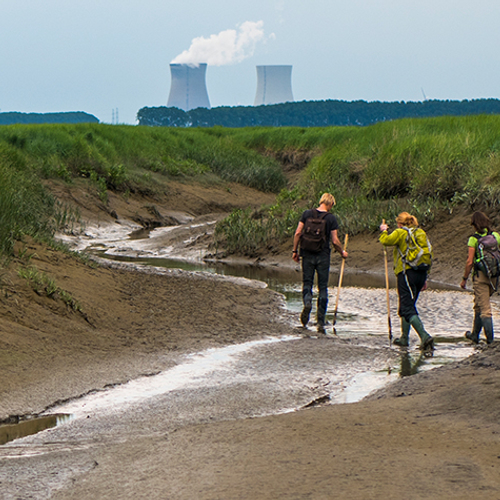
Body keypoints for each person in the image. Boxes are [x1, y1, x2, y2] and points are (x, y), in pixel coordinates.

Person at [292, 193, 348, 333]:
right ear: (330, 204)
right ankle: (321, 320)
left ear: (321, 201)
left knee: (307, 283)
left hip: (307, 253)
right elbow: (334, 240)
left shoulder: (306, 214)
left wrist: (295, 251)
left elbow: (298, 233)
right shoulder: (330, 218)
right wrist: (342, 252)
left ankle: (308, 302)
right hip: (323, 256)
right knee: (323, 287)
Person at [379, 212, 434, 350]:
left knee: (407, 308)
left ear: (400, 223)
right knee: (407, 305)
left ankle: (425, 336)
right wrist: (426, 277)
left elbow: (385, 241)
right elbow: (428, 254)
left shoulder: (400, 232)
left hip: (406, 273)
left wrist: (383, 231)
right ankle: (404, 338)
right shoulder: (420, 233)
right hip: (421, 273)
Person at [460, 211, 499, 345]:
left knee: (485, 310)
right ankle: (475, 335)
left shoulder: (473, 239)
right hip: (494, 276)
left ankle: (490, 341)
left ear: (474, 225)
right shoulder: (495, 236)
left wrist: (464, 278)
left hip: (480, 277)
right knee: (479, 304)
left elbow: (470, 261)